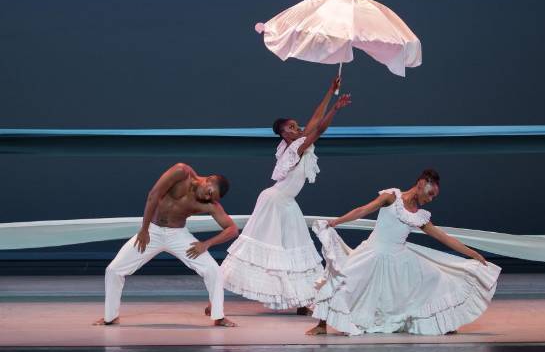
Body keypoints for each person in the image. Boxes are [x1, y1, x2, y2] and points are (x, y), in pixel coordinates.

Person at [306, 169, 501, 335]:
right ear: (422, 183)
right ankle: (322, 325)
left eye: (434, 196)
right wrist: (337, 221)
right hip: (372, 252)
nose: (431, 199)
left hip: (400, 259)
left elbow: (444, 237)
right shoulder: (391, 197)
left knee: (435, 279)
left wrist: (473, 254)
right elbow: (363, 210)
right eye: (430, 193)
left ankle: (442, 323)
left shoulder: (419, 216)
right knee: (342, 281)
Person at [221, 76, 351, 315]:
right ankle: (215, 297)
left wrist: (329, 92)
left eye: (295, 125)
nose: (296, 128)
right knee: (260, 252)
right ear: (284, 135)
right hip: (273, 203)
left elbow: (313, 118)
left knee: (296, 250)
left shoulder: (296, 142)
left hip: (287, 204)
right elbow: (319, 128)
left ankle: (303, 300)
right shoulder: (295, 149)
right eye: (290, 128)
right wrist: (335, 108)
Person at [93, 163, 238, 327]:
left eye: (211, 198)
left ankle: (218, 316)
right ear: (209, 179)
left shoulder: (209, 204)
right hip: (151, 232)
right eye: (210, 193)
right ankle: (110, 317)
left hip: (178, 235)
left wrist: (206, 244)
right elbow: (153, 195)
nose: (207, 198)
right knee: (113, 270)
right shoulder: (181, 172)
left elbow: (232, 229)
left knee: (213, 270)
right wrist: (144, 229)